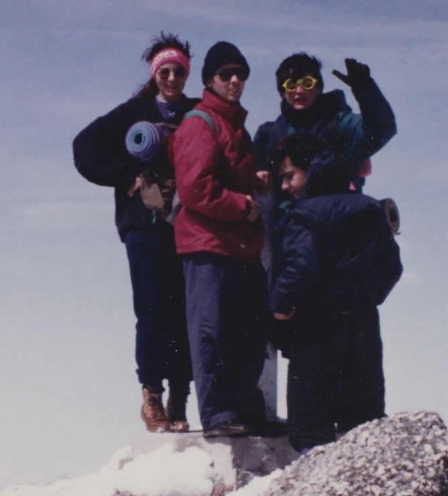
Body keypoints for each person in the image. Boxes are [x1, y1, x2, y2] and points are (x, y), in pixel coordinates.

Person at [73, 33, 198, 433]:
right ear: (155, 73)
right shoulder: (134, 112)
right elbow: (84, 148)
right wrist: (125, 176)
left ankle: (180, 396)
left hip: (189, 224)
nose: (172, 78)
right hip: (143, 226)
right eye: (165, 71)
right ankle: (152, 397)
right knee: (151, 308)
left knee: (185, 311)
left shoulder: (197, 112)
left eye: (179, 71)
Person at [168, 40, 283, 438]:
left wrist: (254, 181)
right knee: (211, 331)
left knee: (249, 330)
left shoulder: (234, 126)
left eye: (241, 74)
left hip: (237, 247)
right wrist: (242, 206)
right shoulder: (199, 124)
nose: (235, 81)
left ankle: (245, 411)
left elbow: (224, 177)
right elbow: (196, 189)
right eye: (226, 74)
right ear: (209, 80)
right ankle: (218, 414)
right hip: (207, 245)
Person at [269, 134, 402, 452]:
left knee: (310, 429)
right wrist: (366, 297)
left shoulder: (303, 214)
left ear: (311, 171)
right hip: (363, 328)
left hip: (315, 330)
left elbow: (301, 266)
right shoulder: (370, 209)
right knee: (362, 425)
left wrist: (281, 304)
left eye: (289, 176)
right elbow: (392, 267)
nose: (286, 187)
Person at [253, 53, 396, 230]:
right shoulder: (268, 135)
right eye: (290, 85)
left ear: (318, 87)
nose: (298, 91)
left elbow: (382, 130)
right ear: (282, 92)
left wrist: (365, 89)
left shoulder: (340, 125)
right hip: (291, 233)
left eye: (306, 83)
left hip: (335, 228)